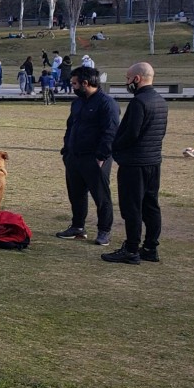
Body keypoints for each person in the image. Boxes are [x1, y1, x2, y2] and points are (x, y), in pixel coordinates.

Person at [102, 63, 167, 264]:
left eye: (128, 78)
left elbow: (131, 133)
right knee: (151, 205)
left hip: (135, 163)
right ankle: (150, 247)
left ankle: (131, 249)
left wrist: (115, 147)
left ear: (137, 78)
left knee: (132, 207)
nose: (127, 82)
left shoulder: (139, 102)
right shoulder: (160, 101)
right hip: (153, 161)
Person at [57, 66, 119, 245]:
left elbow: (111, 132)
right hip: (74, 157)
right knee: (76, 194)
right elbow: (70, 127)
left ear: (85, 83)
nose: (72, 87)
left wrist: (101, 156)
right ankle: (77, 226)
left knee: (101, 196)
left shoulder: (107, 103)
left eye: (74, 84)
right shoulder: (77, 103)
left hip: (95, 158)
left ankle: (104, 231)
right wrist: (66, 150)